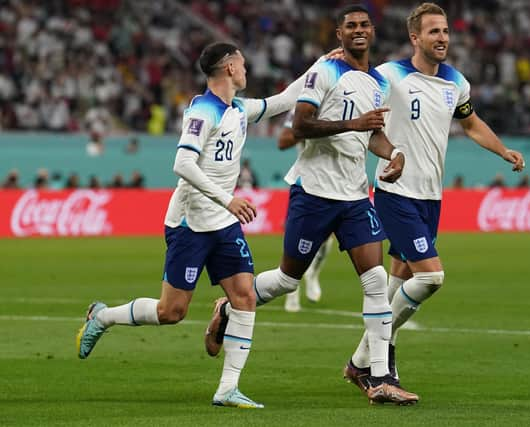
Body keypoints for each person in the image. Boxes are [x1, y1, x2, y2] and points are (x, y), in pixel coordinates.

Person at [76, 41, 324, 409]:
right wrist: (228, 198)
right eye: (241, 62)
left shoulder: (238, 109)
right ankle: (103, 316)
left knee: (244, 296)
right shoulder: (203, 111)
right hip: (191, 222)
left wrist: (323, 63)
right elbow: (182, 165)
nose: (246, 68)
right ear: (227, 68)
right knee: (171, 312)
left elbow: (284, 100)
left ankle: (227, 388)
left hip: (223, 223)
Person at [210, 4, 418, 405]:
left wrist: (394, 154)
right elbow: (300, 124)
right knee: (288, 279)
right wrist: (352, 124)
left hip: (355, 196)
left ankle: (379, 379)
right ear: (339, 34)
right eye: (350, 26)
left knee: (375, 281)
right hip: (314, 193)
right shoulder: (325, 73)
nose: (358, 30)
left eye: (364, 25)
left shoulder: (377, 83)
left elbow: (371, 135)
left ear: (372, 32)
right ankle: (229, 305)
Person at [344, 2, 526, 393]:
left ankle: (361, 363)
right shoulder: (389, 75)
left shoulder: (455, 82)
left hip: (430, 196)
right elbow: (356, 94)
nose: (442, 38)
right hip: (396, 192)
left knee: (402, 278)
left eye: (445, 31)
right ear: (415, 37)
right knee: (432, 276)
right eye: (433, 32)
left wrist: (503, 150)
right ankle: (376, 357)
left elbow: (471, 123)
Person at [277, 107, 334, 312]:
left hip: (334, 182)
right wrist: (309, 126)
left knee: (327, 241)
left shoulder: (341, 99)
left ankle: (313, 275)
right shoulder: (301, 107)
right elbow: (282, 141)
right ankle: (291, 294)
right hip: (307, 182)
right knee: (295, 239)